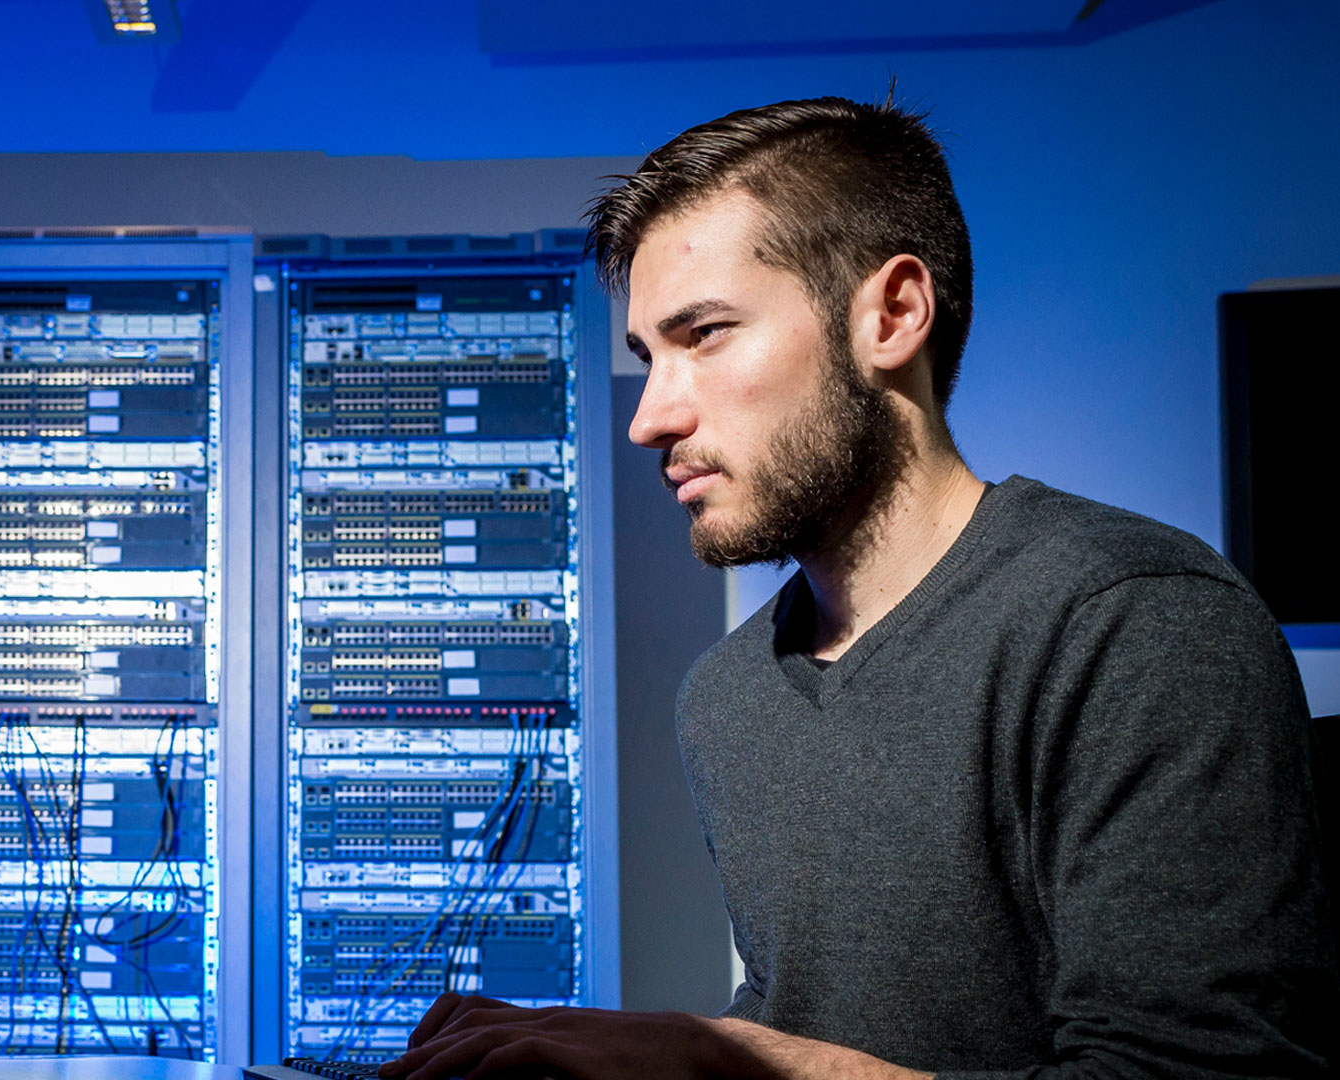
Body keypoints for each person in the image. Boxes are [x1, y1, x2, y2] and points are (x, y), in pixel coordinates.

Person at [380, 96, 1337, 1079]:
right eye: (645, 358)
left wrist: (722, 1061)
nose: (650, 418)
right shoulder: (726, 698)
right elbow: (813, 1018)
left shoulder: (1137, 624)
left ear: (890, 315)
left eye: (702, 334)